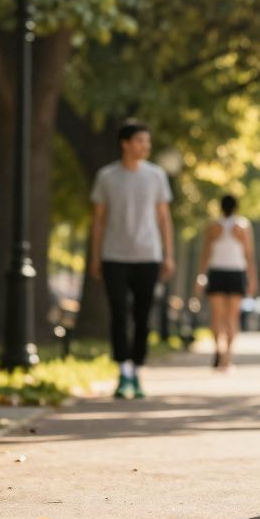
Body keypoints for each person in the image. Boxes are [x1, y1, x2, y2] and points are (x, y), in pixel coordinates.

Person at [89, 120, 176, 400]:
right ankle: (123, 370)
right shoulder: (106, 176)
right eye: (140, 141)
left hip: (148, 255)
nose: (146, 146)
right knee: (117, 314)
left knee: (142, 315)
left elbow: (164, 218)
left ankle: (137, 369)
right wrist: (95, 256)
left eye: (148, 142)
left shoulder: (156, 175)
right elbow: (99, 221)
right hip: (114, 255)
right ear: (125, 144)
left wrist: (168, 254)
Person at [195, 194, 258, 372]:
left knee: (217, 316)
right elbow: (249, 255)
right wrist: (252, 279)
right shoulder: (243, 226)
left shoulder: (213, 227)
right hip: (236, 273)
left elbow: (205, 254)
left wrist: (200, 276)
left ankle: (218, 350)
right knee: (232, 317)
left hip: (216, 272)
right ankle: (227, 357)